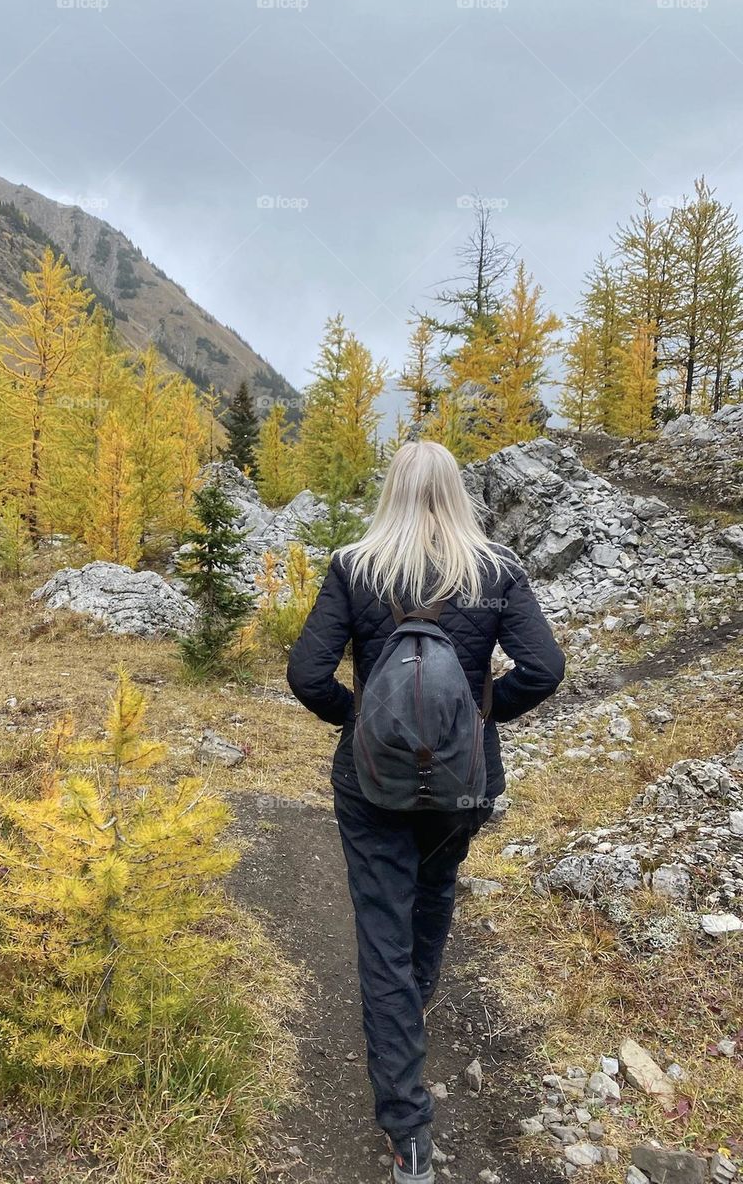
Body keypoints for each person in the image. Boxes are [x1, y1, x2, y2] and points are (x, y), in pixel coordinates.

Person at [287, 440, 565, 1184]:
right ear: (456, 492)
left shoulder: (357, 567)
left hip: (370, 782)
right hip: (463, 784)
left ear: (392, 492)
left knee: (383, 931)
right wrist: (478, 719)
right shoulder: (495, 569)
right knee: (435, 895)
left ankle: (408, 1131)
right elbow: (545, 668)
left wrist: (358, 720)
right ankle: (410, 1015)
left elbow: (307, 674)